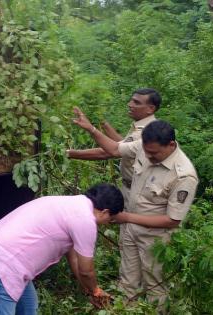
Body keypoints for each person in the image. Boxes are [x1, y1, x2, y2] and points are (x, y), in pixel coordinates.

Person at [72, 110, 199, 306]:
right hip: (131, 230)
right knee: (127, 280)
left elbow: (172, 220)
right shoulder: (145, 146)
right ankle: (126, 309)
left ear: (171, 145)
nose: (148, 156)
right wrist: (91, 129)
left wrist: (127, 218)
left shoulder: (184, 176)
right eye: (146, 152)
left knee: (155, 285)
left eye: (154, 153)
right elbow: (115, 149)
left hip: (155, 239)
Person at [0, 183, 124, 315]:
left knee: (29, 307)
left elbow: (74, 258)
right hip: (1, 266)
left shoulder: (72, 205)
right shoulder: (85, 220)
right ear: (104, 211)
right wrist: (96, 291)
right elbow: (86, 270)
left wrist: (89, 290)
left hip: (0, 256)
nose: (107, 223)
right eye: (110, 219)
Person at [67, 88, 160, 209]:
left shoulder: (145, 132)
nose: (130, 104)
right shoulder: (144, 125)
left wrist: (69, 153)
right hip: (132, 188)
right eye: (131, 100)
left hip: (139, 193)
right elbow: (122, 144)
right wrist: (102, 122)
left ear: (150, 109)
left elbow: (109, 152)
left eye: (136, 102)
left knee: (132, 225)